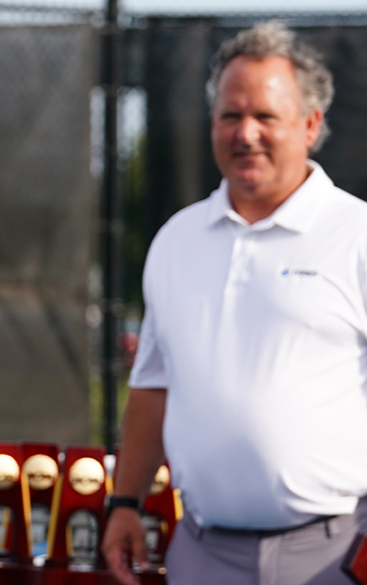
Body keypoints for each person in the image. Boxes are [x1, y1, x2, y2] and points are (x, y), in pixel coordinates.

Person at [102, 21, 367, 585]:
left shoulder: (358, 235)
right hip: (201, 551)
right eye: (230, 115)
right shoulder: (176, 239)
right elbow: (152, 388)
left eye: (266, 116)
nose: (246, 133)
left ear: (311, 125)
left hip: (336, 555)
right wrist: (124, 504)